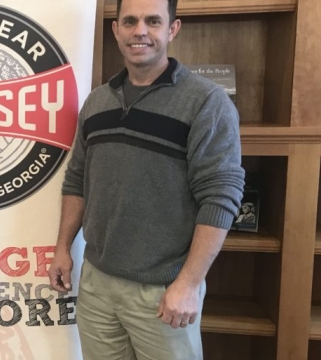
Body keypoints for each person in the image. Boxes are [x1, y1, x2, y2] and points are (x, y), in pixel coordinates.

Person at [48, 0, 245, 358]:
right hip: (97, 283)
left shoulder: (205, 102)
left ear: (172, 29)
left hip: (163, 291)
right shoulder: (96, 103)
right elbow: (77, 179)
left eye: (153, 21)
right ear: (116, 30)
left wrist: (188, 283)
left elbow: (220, 198)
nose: (140, 31)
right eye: (130, 21)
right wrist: (63, 247)